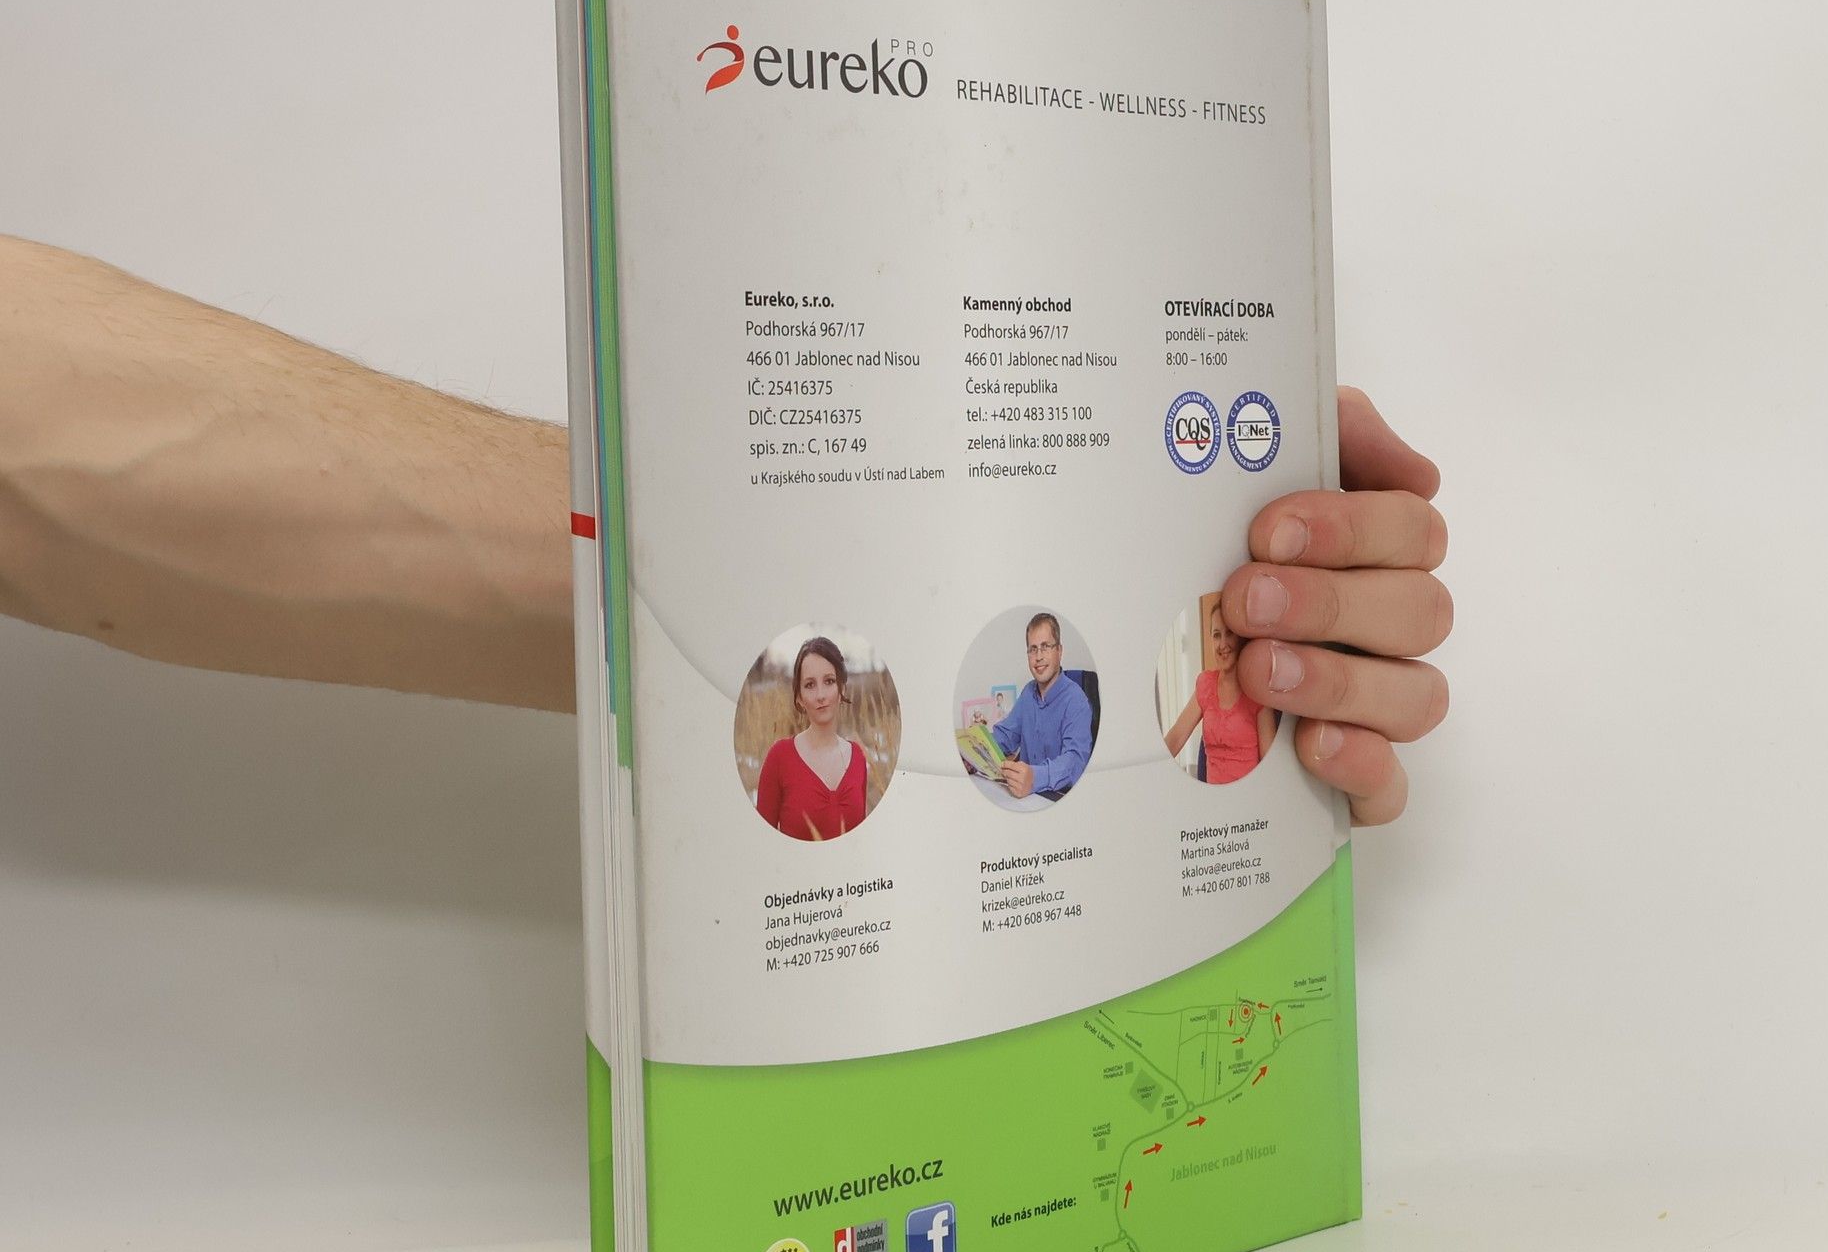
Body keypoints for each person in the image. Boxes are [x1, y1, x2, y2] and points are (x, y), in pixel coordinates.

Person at [0, 237, 1451, 825]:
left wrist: (1123, 526)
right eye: (810, 679)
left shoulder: (1013, 710)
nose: (818, 695)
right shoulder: (864, 748)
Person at [753, 635, 869, 841]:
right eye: (809, 685)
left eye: (829, 681)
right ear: (799, 697)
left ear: (841, 688)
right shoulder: (779, 757)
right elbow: (761, 843)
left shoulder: (858, 757)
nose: (820, 695)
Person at [1163, 591, 1278, 784]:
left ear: (1242, 638)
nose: (1222, 644)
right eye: (1216, 635)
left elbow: (1271, 766)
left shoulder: (1258, 691)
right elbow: (1176, 737)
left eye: (1229, 633)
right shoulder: (1205, 684)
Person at [988, 611, 1094, 801]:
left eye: (1045, 647)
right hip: (1025, 800)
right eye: (1033, 649)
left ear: (1059, 651)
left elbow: (1075, 761)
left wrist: (1035, 778)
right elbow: (1005, 736)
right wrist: (974, 749)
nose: (1038, 656)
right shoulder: (1028, 693)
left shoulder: (1076, 700)